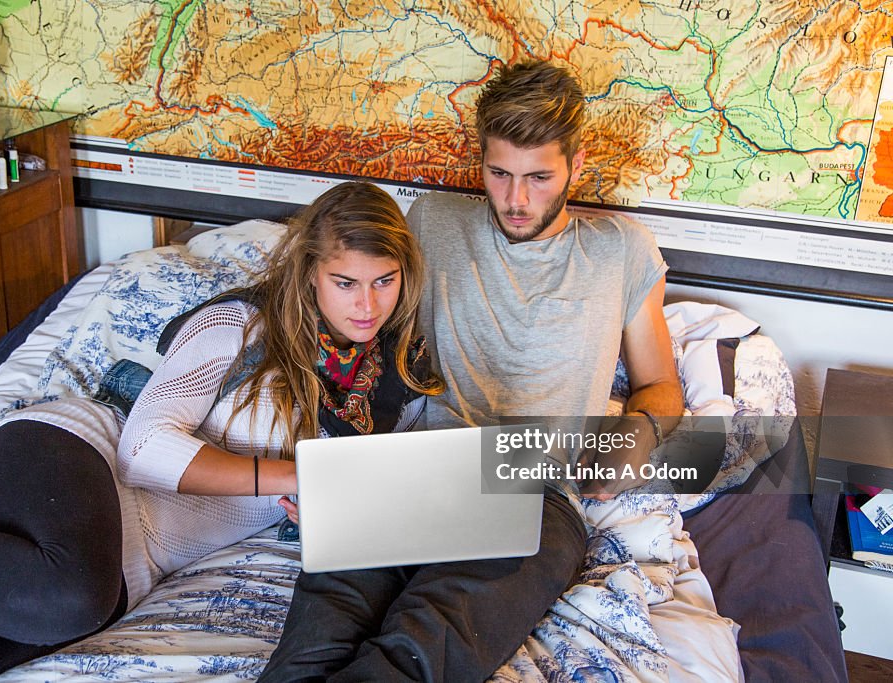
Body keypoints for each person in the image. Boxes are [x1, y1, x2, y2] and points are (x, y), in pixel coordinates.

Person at [0, 181, 443, 683]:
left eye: (384, 281)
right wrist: (297, 476)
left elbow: (369, 492)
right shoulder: (240, 328)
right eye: (345, 282)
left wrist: (325, 506)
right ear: (311, 273)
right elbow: (143, 451)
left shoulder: (397, 385)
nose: (367, 305)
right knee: (69, 597)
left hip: (127, 566)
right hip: (65, 457)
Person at [260, 60, 683, 682]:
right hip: (418, 467)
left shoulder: (622, 248)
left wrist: (637, 439)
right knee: (319, 627)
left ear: (577, 166)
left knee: (430, 635)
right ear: (479, 160)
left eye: (539, 177)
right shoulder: (432, 222)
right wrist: (333, 464)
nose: (516, 199)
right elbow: (352, 317)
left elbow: (661, 386)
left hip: (534, 488)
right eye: (500, 173)